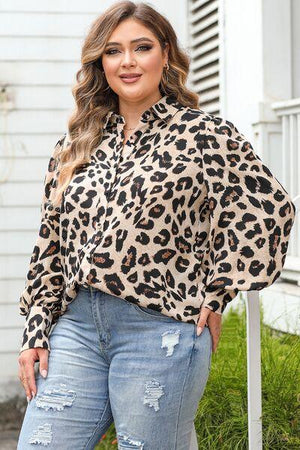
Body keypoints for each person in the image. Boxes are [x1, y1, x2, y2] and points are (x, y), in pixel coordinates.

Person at [17, 1, 296, 449]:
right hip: (76, 327)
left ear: (165, 54)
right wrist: (36, 329)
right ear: (100, 63)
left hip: (161, 329)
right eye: (113, 51)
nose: (127, 62)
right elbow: (51, 244)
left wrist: (218, 289)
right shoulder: (75, 144)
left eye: (141, 47)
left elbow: (269, 208)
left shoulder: (205, 136)